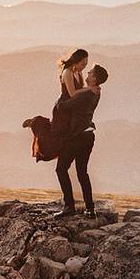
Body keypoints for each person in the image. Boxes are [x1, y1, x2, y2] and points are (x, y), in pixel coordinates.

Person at [52, 64, 109, 218]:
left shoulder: (85, 95)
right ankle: (90, 209)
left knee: (61, 169)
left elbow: (63, 107)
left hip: (77, 137)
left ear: (95, 78)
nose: (87, 74)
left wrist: (61, 95)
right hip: (89, 136)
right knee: (82, 173)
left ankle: (69, 206)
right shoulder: (96, 92)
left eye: (90, 73)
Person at [22, 48, 89, 161]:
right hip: (62, 109)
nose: (84, 66)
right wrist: (89, 89)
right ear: (76, 61)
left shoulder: (78, 72)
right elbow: (72, 93)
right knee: (56, 136)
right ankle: (35, 122)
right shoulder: (67, 72)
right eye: (83, 63)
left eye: (86, 63)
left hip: (71, 108)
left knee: (64, 136)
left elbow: (80, 89)